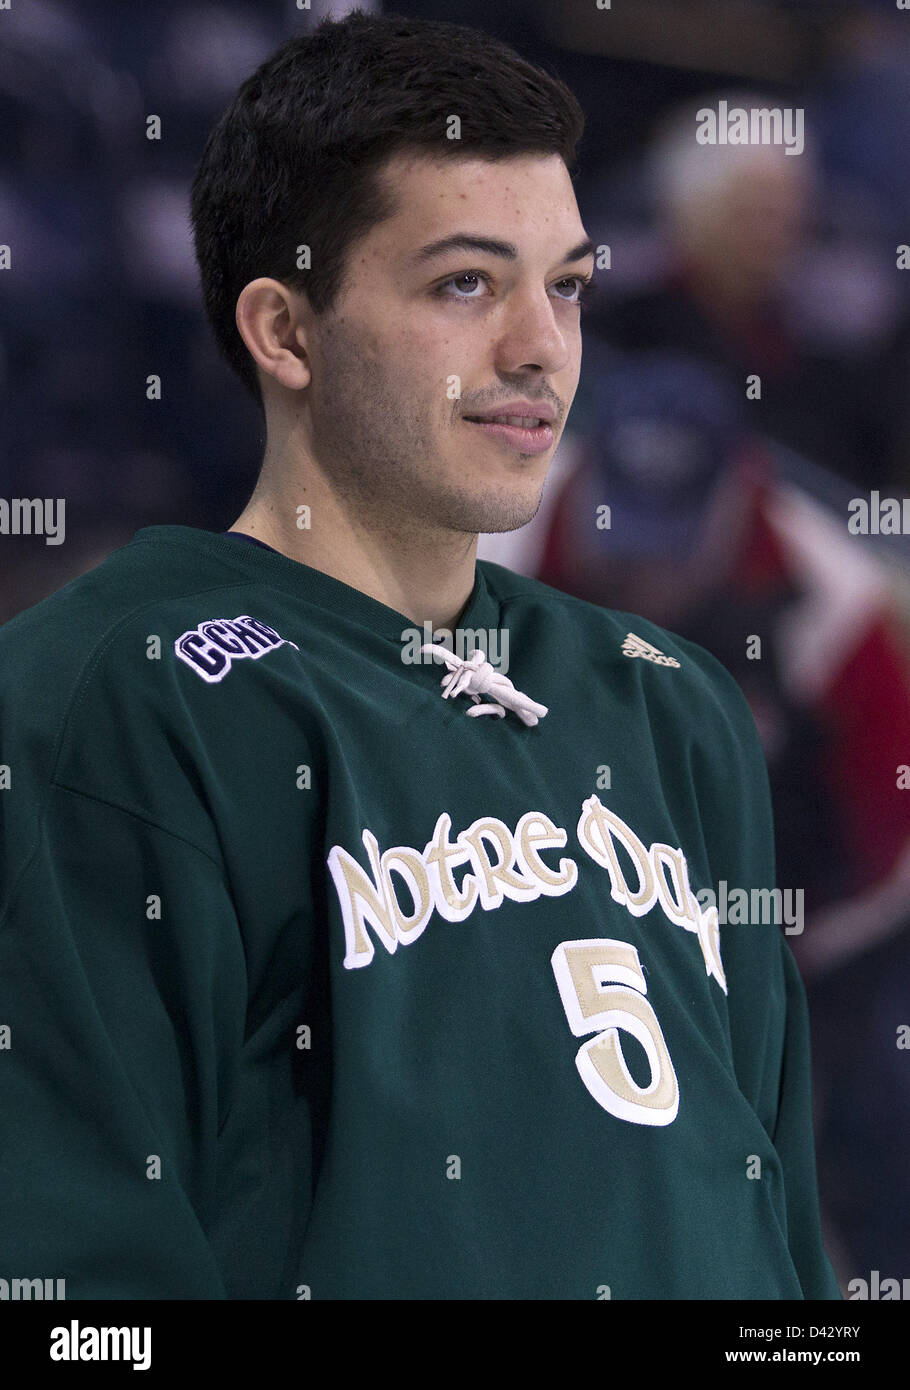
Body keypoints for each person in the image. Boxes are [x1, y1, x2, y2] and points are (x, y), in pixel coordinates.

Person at [0, 10, 840, 1300]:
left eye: (564, 283)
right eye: (465, 282)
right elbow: (80, 1291)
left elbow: (777, 1236)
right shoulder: (116, 695)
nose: (541, 345)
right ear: (286, 332)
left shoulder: (675, 706)